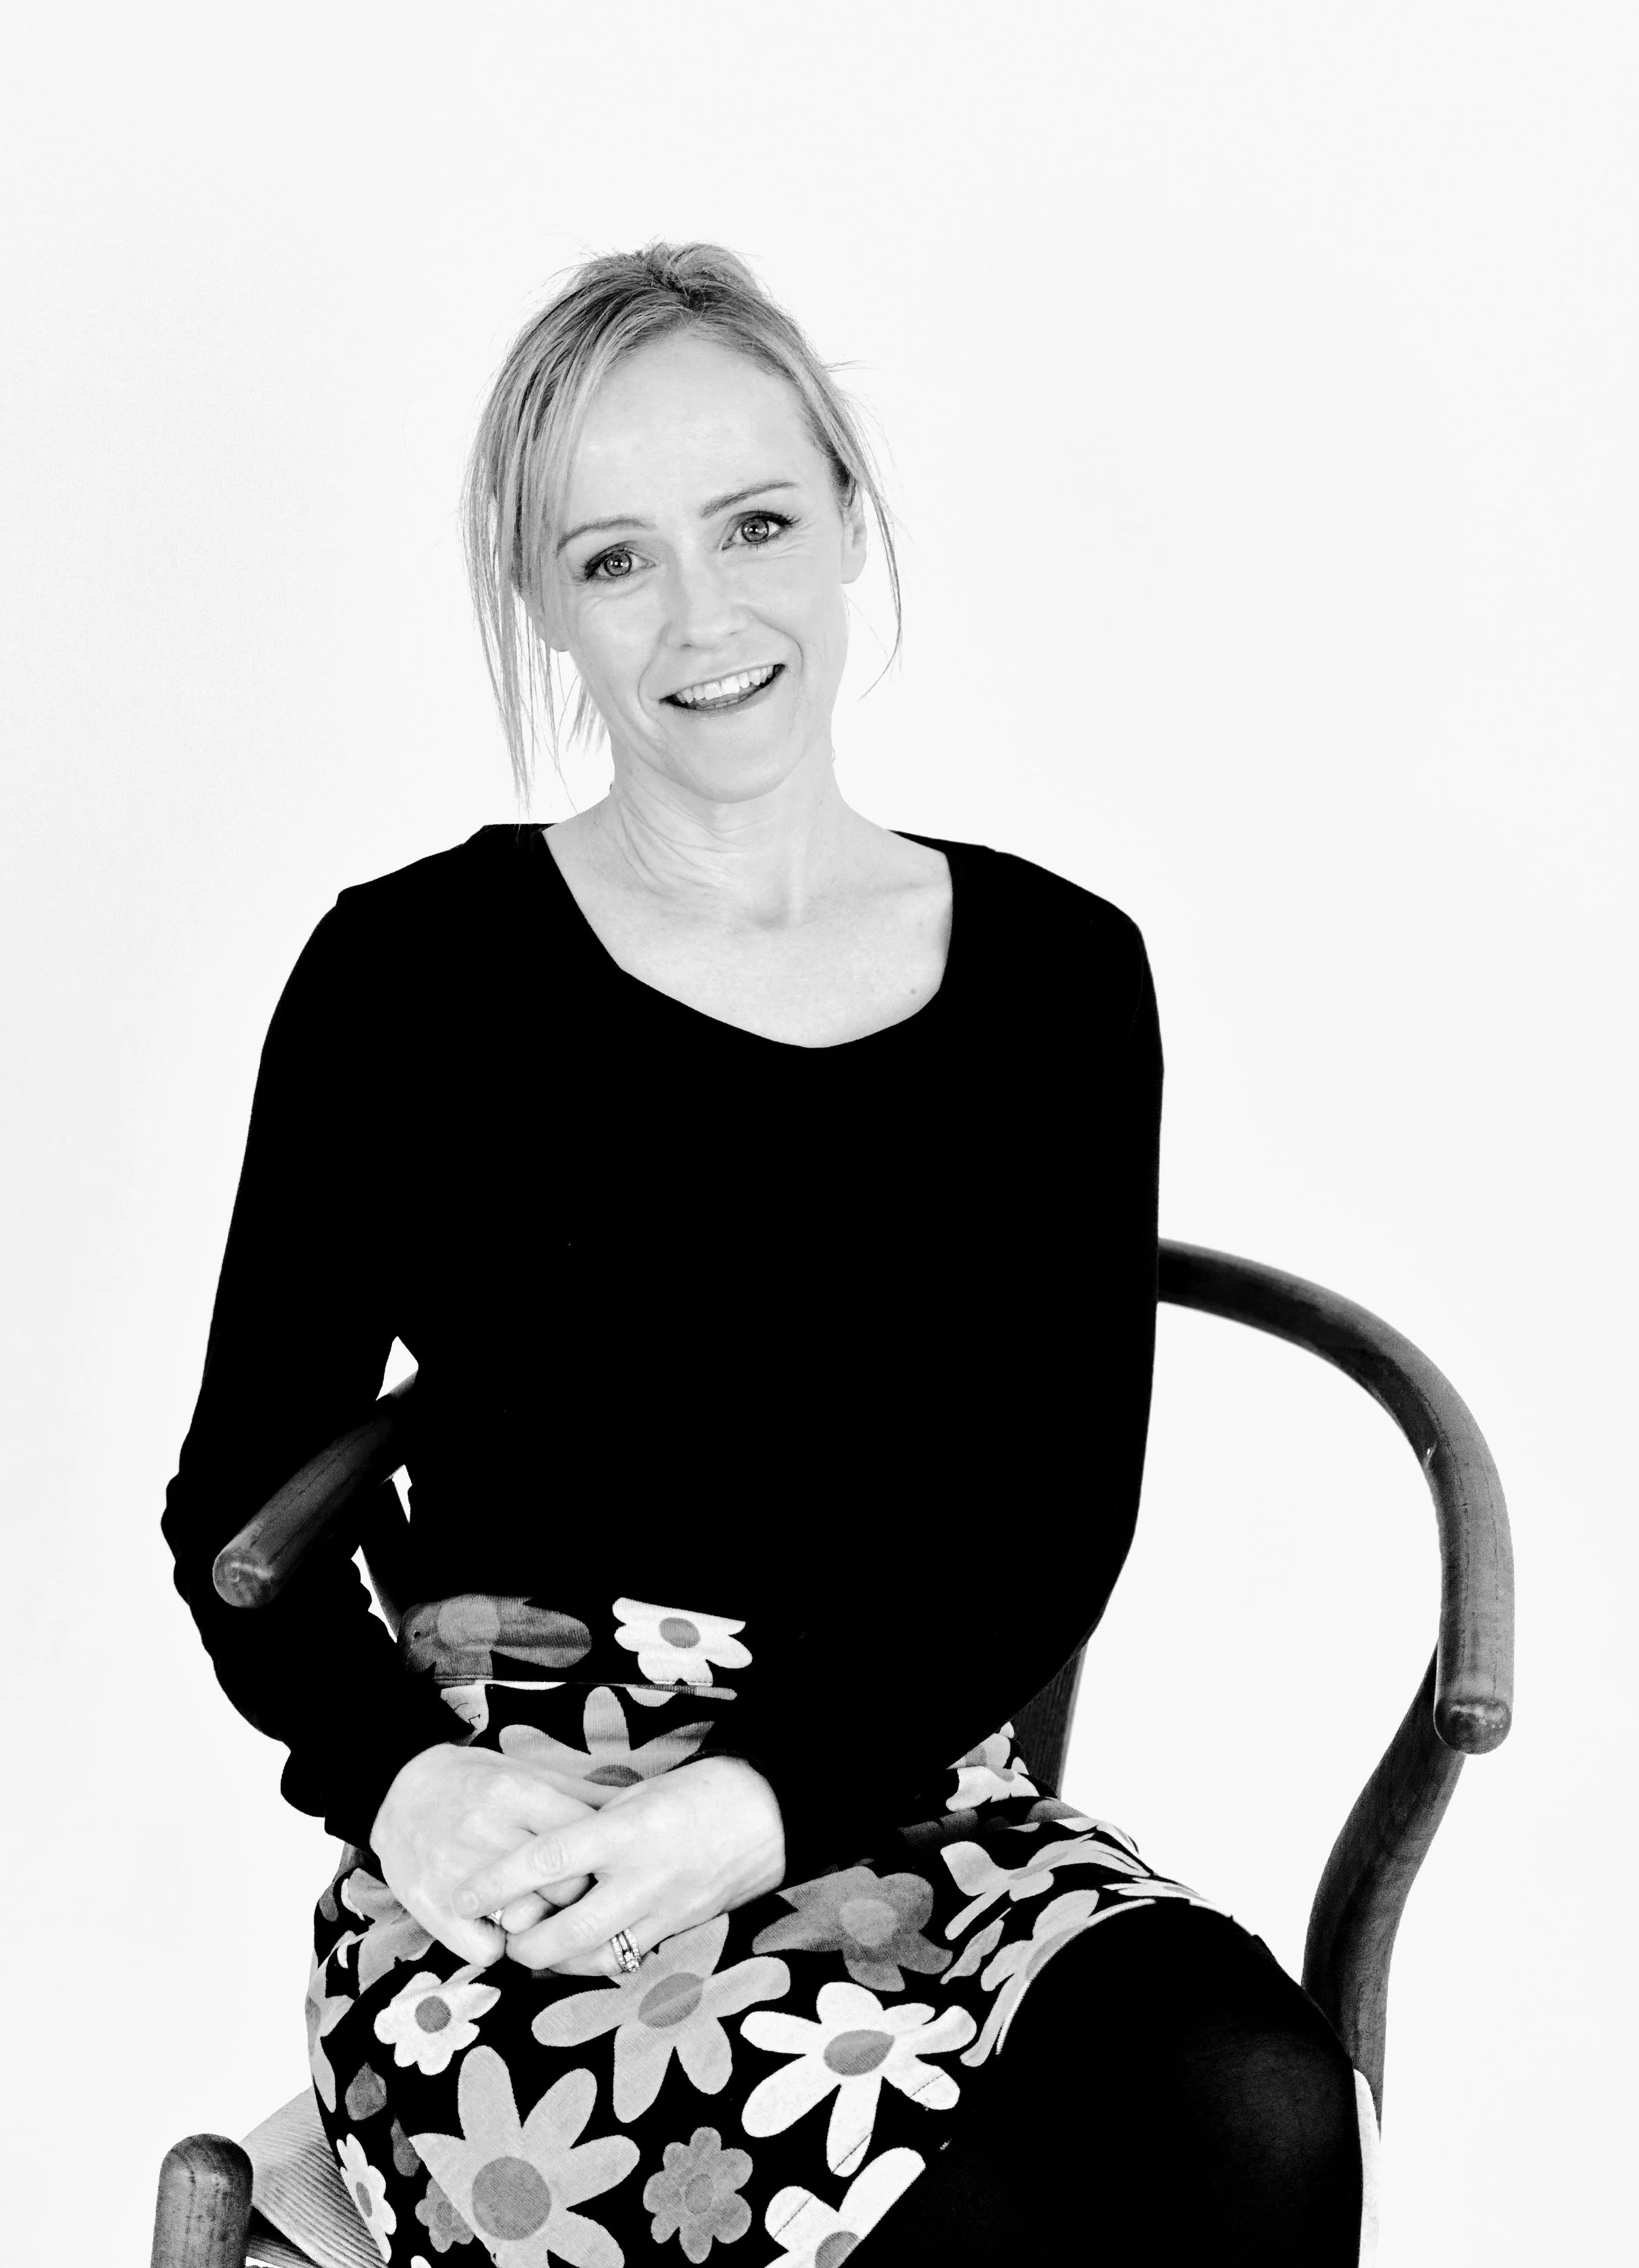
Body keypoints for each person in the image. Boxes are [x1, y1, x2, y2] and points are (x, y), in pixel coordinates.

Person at [163, 242, 1363, 2265]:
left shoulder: (1060, 977)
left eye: (754, 524)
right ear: (539, 597)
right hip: (535, 1844)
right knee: (966, 2230)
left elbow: (1053, 1511)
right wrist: (394, 1783)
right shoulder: (409, 977)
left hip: (906, 1792)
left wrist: (771, 1801)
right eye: (615, 558)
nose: (705, 615)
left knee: (1251, 2103)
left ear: (848, 520)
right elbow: (238, 1499)